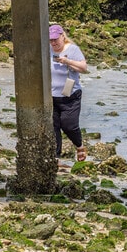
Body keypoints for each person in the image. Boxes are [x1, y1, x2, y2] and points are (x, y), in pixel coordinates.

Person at [49, 24, 89, 163]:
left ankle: (79, 146)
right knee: (53, 128)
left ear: (62, 36)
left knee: (68, 126)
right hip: (52, 97)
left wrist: (67, 61)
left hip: (70, 96)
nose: (54, 43)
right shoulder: (47, 50)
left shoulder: (72, 49)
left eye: (56, 39)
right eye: (51, 40)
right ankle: (56, 158)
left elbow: (84, 68)